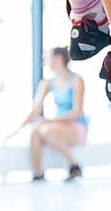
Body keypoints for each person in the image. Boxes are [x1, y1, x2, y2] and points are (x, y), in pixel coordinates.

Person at [6, 48, 88, 181]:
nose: (44, 61)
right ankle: (38, 174)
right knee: (35, 132)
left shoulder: (76, 80)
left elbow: (77, 112)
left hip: (75, 126)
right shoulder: (47, 83)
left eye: (47, 58)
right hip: (56, 127)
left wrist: (50, 121)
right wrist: (17, 130)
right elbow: (35, 110)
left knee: (45, 130)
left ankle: (74, 165)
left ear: (59, 59)